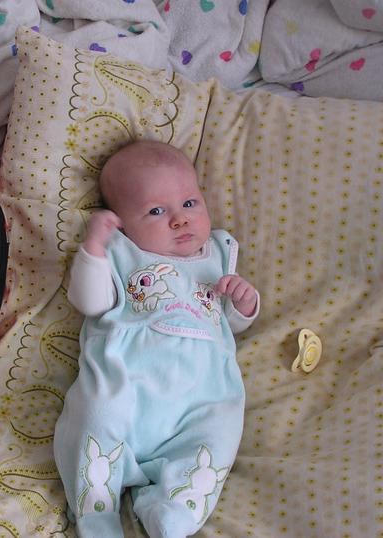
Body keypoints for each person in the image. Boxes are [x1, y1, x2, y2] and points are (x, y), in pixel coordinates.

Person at [53, 140, 259, 538]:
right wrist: (94, 248)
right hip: (127, 385)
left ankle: (174, 509)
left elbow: (229, 325)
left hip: (202, 397)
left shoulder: (217, 254)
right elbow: (90, 302)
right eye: (156, 211)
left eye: (189, 203)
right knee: (95, 416)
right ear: (123, 224)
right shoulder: (121, 252)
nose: (180, 220)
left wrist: (244, 303)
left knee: (218, 436)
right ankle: (96, 515)